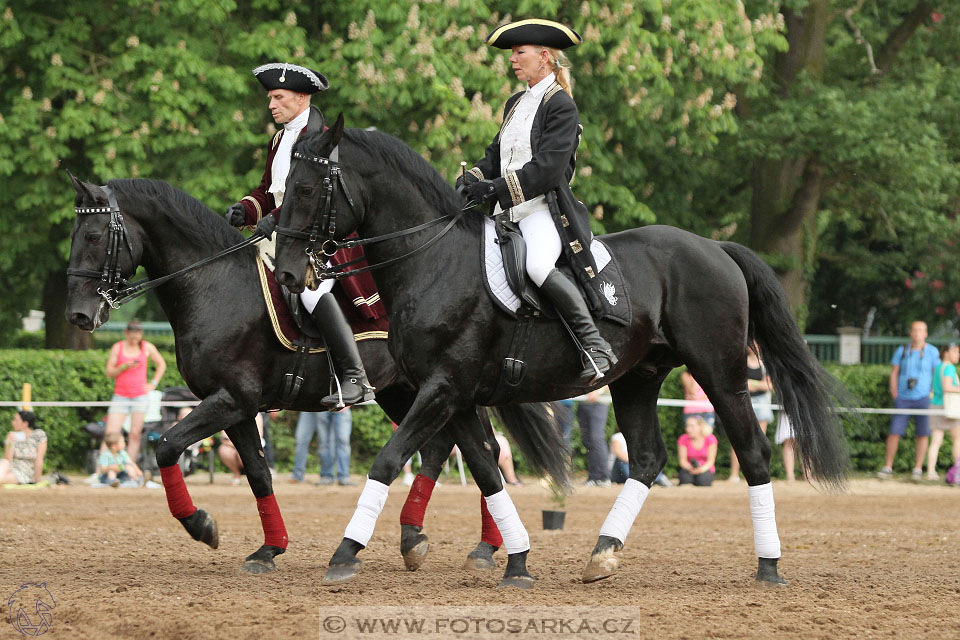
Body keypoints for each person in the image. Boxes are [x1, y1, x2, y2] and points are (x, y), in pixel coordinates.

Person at [458, 19, 617, 382]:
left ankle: (595, 345)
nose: (513, 60)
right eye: (513, 54)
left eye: (519, 53)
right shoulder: (515, 103)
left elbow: (547, 170)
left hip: (543, 210)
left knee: (538, 266)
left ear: (544, 57)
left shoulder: (560, 105)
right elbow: (495, 156)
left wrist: (495, 188)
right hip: (505, 212)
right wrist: (473, 180)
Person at [224, 62, 372, 407]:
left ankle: (355, 377)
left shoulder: (321, 138)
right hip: (282, 232)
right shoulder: (279, 138)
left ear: (302, 97)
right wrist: (246, 210)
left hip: (316, 238)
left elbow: (313, 198)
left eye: (278, 97)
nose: (271, 105)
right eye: (270, 98)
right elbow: (268, 190)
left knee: (309, 290)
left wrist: (275, 219)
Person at [878, 320, 940, 481]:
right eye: (914, 330)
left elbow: (937, 373)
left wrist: (932, 393)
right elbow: (894, 373)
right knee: (894, 432)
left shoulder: (932, 351)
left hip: (924, 398)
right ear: (910, 333)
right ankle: (888, 466)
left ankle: (918, 469)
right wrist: (895, 394)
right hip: (903, 398)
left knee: (923, 434)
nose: (917, 333)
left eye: (920, 330)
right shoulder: (902, 350)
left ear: (925, 333)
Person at [103, 319, 166, 465]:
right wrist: (123, 367)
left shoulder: (147, 347)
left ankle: (128, 468)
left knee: (135, 435)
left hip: (140, 397)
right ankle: (104, 468)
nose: (134, 340)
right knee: (110, 433)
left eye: (137, 337)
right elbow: (109, 372)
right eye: (131, 337)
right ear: (126, 333)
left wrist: (153, 384)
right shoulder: (117, 347)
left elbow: (161, 364)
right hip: (120, 396)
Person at [730, 343, 774, 481]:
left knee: (760, 440)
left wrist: (751, 384)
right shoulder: (741, 361)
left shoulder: (765, 364)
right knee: (739, 438)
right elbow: (736, 382)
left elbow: (770, 386)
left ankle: (761, 473)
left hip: (761, 402)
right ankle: (734, 474)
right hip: (744, 401)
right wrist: (758, 384)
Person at [290, 409, 354, 486]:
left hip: (342, 405)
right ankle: (327, 475)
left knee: (343, 441)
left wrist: (348, 403)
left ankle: (343, 477)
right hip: (322, 408)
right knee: (324, 442)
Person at [926, 342, 960, 480]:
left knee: (935, 442)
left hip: (936, 406)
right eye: (955, 351)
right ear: (946, 353)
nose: (957, 355)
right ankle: (958, 470)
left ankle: (930, 472)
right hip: (949, 409)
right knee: (957, 439)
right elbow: (947, 387)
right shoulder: (950, 368)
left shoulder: (939, 367)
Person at [0, 411, 46, 485]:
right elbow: (8, 459)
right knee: (4, 463)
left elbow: (39, 459)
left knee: (4, 477)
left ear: (25, 423)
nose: (12, 422)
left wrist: (37, 481)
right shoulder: (12, 436)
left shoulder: (38, 435)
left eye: (16, 420)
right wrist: (9, 443)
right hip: (8, 467)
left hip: (23, 472)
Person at [218, 413, 265, 486]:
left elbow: (258, 437)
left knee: (247, 451)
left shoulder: (256, 415)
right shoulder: (229, 413)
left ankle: (254, 476)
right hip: (235, 445)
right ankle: (236, 474)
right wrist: (239, 445)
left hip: (251, 446)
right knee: (223, 450)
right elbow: (224, 439)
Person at [577, 388, 611, 487]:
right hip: (583, 403)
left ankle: (604, 476)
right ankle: (593, 476)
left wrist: (598, 392)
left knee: (596, 439)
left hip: (599, 403)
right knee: (587, 441)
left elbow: (610, 381)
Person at [677, 415, 718, 486]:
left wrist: (701, 469)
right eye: (687, 426)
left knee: (703, 480)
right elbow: (682, 461)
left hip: (705, 469)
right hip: (689, 469)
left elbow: (711, 461)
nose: (688, 429)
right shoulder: (683, 439)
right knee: (685, 479)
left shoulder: (710, 439)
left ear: (700, 426)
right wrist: (691, 468)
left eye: (692, 426)